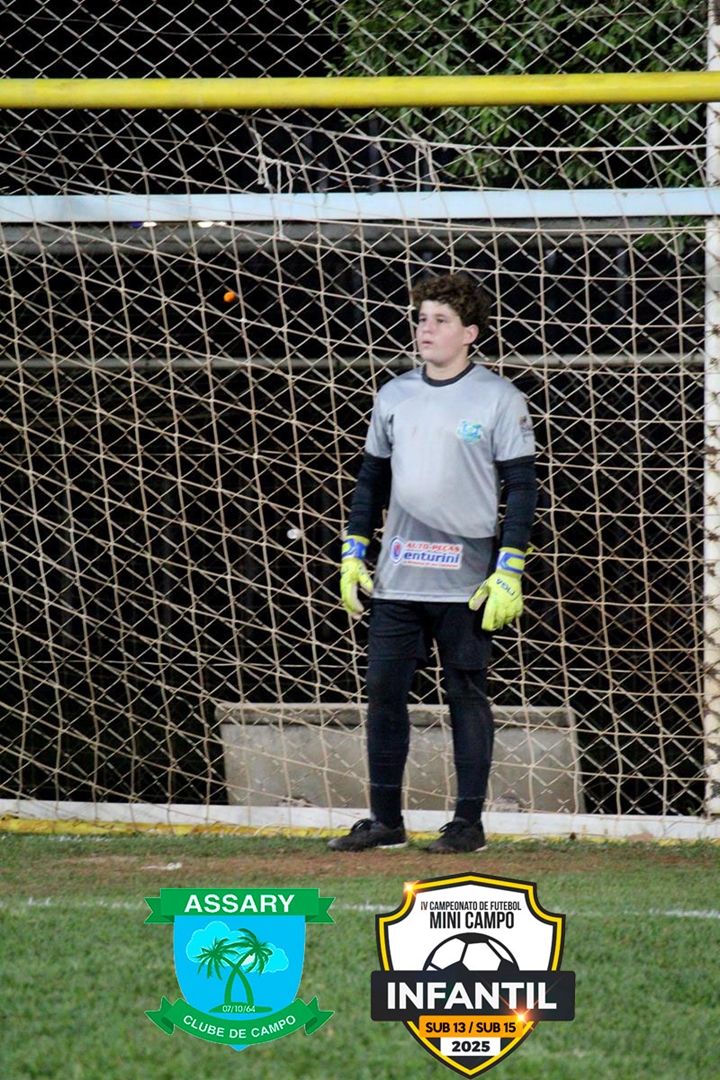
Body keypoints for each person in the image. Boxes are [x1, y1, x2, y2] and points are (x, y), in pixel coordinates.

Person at [328, 272, 537, 853]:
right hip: (398, 576)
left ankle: (468, 825)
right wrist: (353, 549)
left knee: (465, 692)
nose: (426, 329)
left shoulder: (499, 398)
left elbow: (522, 488)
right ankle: (385, 822)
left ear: (470, 333)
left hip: (467, 581)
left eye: (441, 320)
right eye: (422, 318)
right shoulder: (393, 396)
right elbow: (371, 480)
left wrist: (509, 567)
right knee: (382, 692)